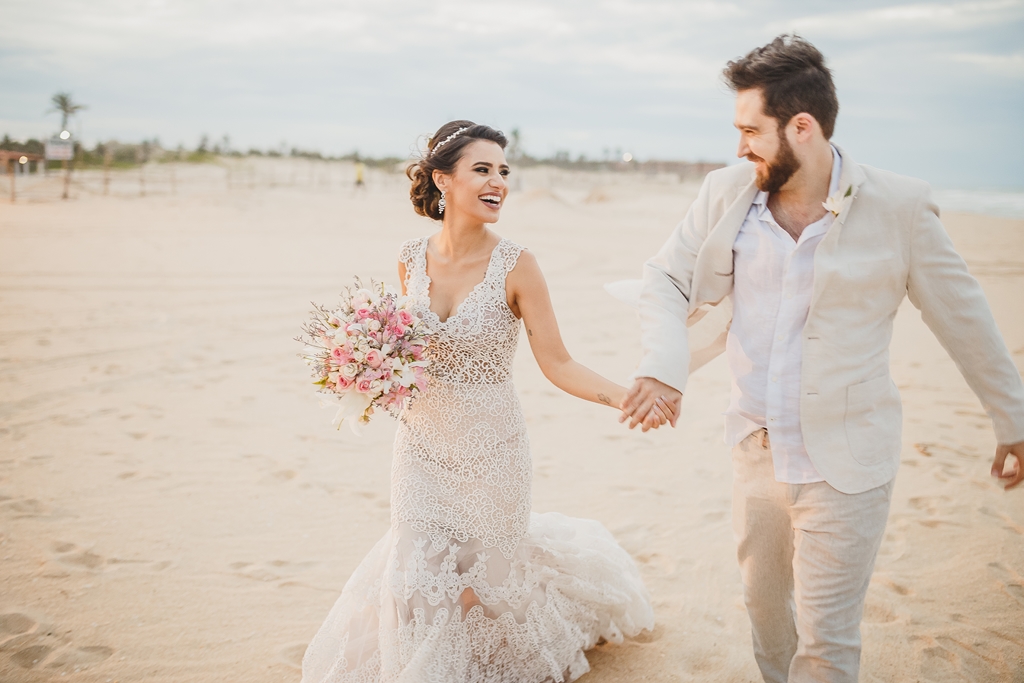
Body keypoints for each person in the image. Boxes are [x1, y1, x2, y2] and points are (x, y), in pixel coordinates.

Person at [619, 35, 1024, 683]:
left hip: (848, 461)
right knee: (764, 612)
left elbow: (966, 318)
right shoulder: (727, 193)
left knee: (828, 641)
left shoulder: (901, 206)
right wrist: (663, 368)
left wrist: (1015, 417)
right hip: (753, 447)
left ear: (801, 127)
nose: (739, 146)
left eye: (751, 130)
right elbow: (664, 279)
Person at [301, 120, 660, 683]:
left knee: (485, 589)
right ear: (443, 180)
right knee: (414, 582)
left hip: (493, 454)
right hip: (420, 450)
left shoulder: (518, 265)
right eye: (483, 170)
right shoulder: (408, 258)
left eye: (504, 171)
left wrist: (625, 396)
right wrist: (366, 370)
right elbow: (403, 346)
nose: (499, 182)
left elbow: (558, 363)